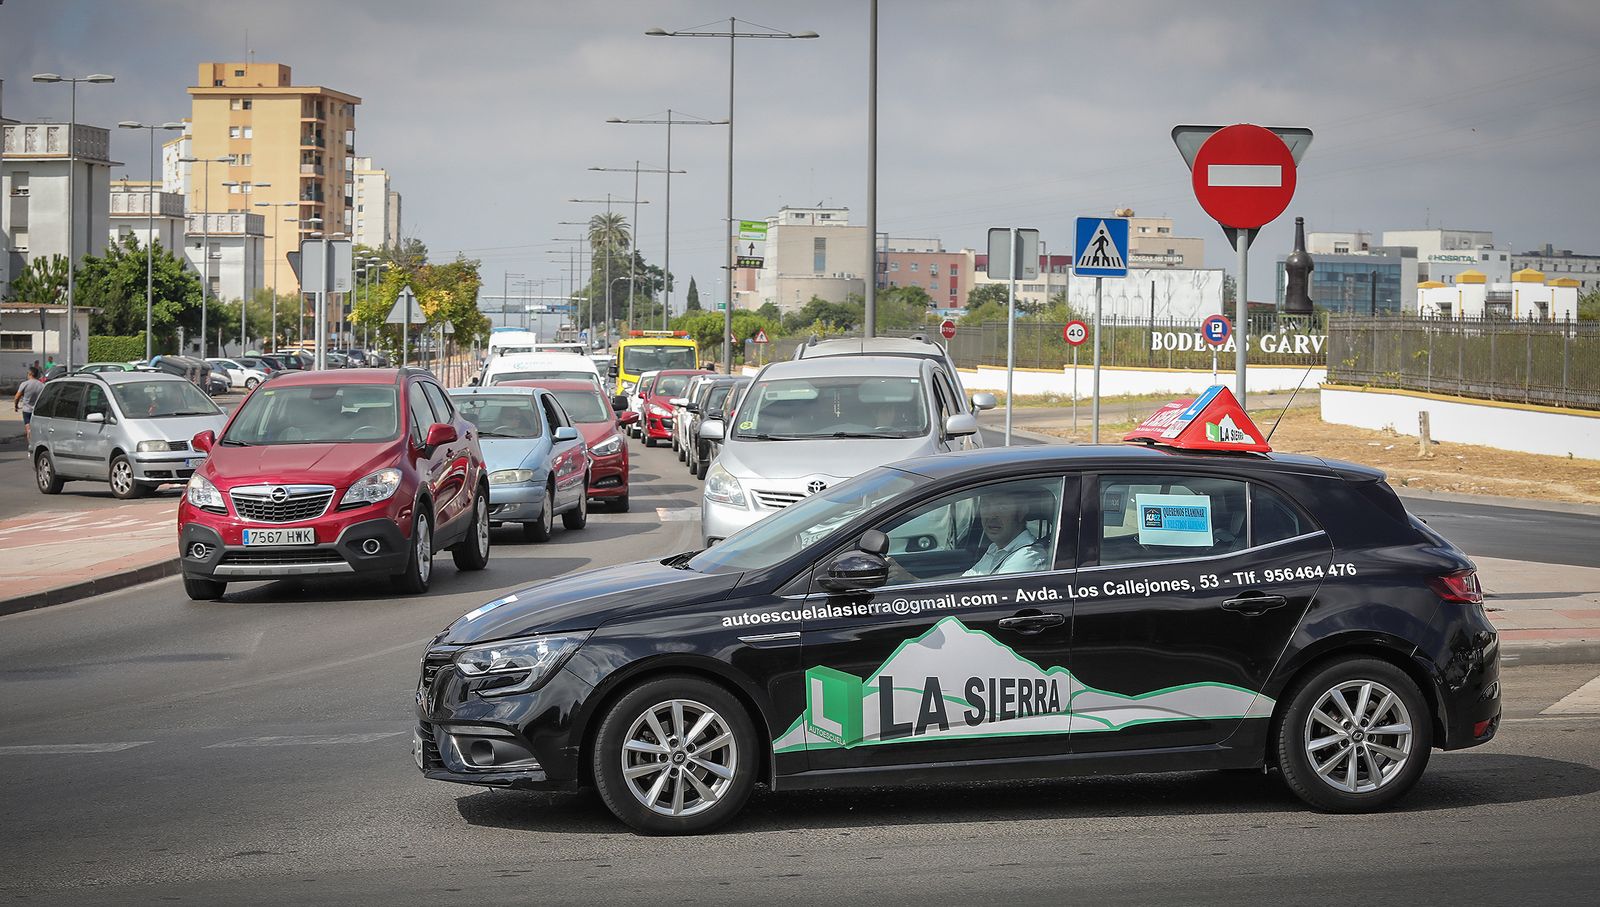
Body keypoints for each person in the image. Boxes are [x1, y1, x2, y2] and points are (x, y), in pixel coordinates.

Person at [962, 487, 1050, 577]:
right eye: (986, 506)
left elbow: (991, 590)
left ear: (1021, 512)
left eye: (1002, 507)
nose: (991, 515)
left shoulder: (1026, 557)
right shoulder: (994, 548)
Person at [14, 366, 45, 443]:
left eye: (28, 373)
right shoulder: (42, 385)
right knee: (37, 429)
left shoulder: (24, 384)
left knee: (28, 428)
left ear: (30, 374)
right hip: (38, 411)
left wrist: (16, 406)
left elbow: (17, 397)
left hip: (27, 410)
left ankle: (30, 444)